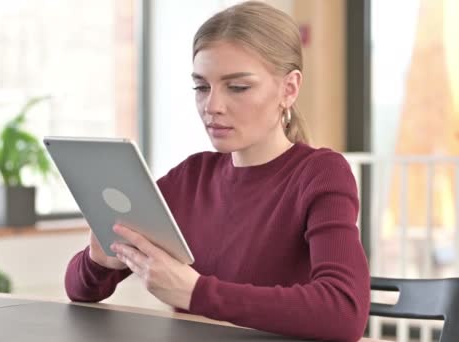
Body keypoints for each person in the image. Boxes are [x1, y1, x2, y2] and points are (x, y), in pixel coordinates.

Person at [64, 1, 370, 341]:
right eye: (201, 86)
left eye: (237, 87)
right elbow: (80, 290)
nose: (212, 106)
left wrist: (196, 293)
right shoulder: (190, 177)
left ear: (289, 88)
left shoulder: (320, 173)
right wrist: (98, 261)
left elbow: (344, 313)